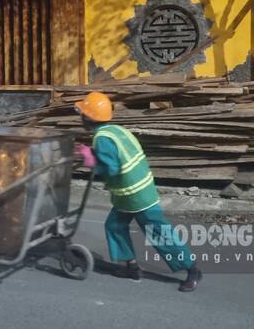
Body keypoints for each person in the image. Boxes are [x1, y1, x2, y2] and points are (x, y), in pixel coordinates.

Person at [74, 91, 202, 292]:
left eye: (81, 112)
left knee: (158, 232)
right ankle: (131, 267)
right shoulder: (116, 130)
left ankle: (192, 270)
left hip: (135, 196)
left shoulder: (102, 139)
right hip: (133, 192)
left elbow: (111, 168)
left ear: (87, 117)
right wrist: (92, 154)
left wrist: (90, 161)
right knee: (114, 226)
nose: (80, 116)